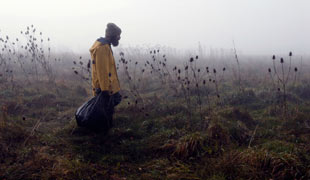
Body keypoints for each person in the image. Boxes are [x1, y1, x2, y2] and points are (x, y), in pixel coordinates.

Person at [89, 23, 122, 132]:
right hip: (105, 89)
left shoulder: (105, 46)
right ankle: (104, 138)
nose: (119, 38)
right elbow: (102, 70)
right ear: (112, 35)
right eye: (118, 35)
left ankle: (105, 134)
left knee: (106, 113)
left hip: (107, 87)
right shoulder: (103, 48)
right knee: (104, 116)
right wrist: (105, 90)